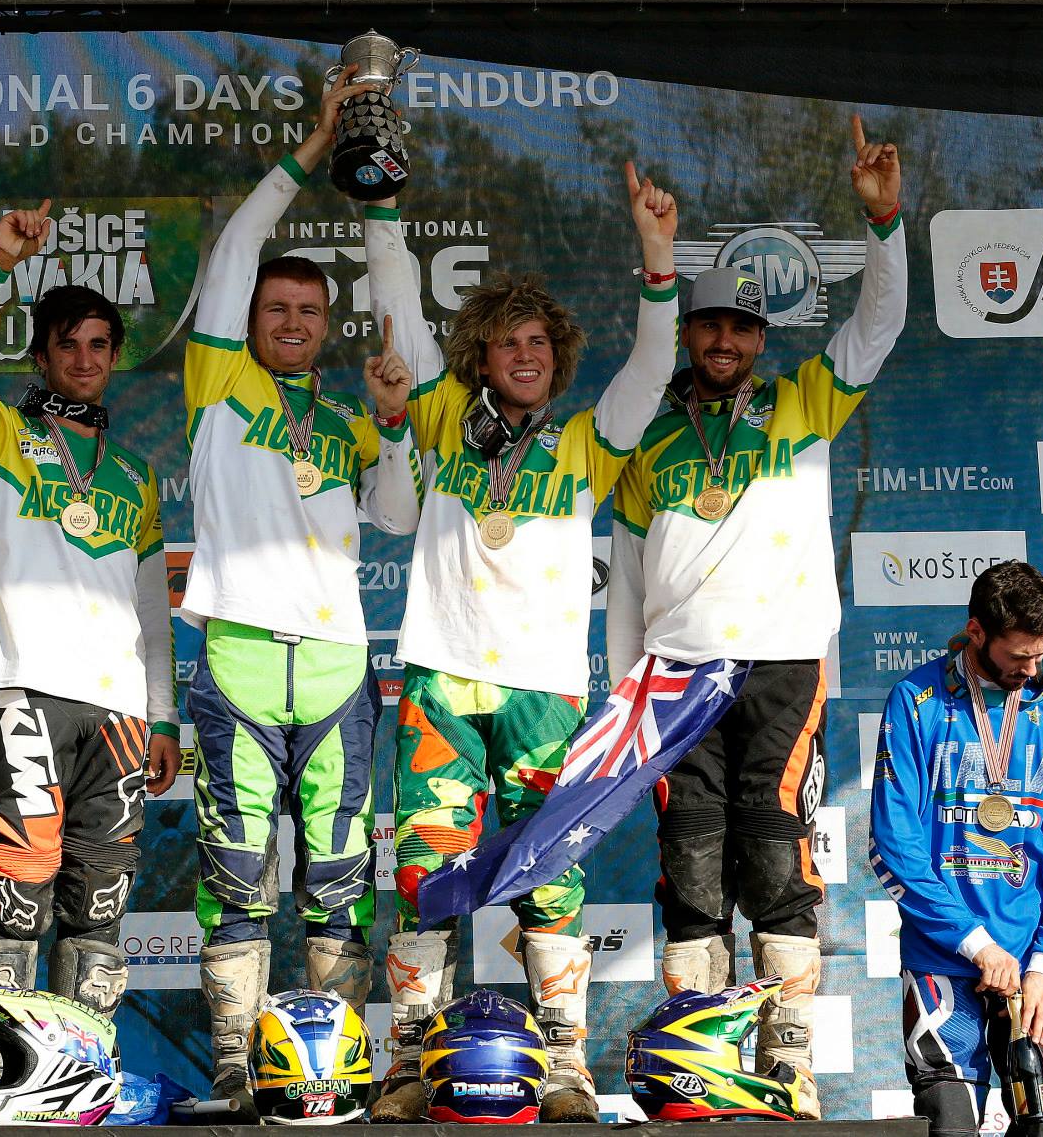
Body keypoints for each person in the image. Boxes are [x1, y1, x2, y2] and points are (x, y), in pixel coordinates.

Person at [363, 161, 680, 1122]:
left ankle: (567, 1063)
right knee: (425, 871)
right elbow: (396, 310)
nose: (526, 354)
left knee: (552, 877)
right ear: (478, 355)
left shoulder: (585, 440)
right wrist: (379, 207)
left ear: (558, 353)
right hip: (443, 683)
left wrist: (657, 256)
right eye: (507, 342)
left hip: (543, 689)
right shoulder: (440, 419)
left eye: (539, 341)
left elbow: (654, 368)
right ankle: (413, 1061)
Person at [607, 115, 908, 1097]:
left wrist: (883, 223)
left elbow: (879, 326)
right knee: (689, 868)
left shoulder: (803, 404)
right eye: (707, 324)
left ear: (759, 336)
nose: (724, 339)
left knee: (775, 855)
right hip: (672, 681)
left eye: (740, 326)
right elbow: (626, 576)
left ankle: (786, 1066)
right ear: (686, 333)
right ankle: (693, 1063)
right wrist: (621, 693)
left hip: (781, 667)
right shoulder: (646, 442)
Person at [177, 71, 421, 1113]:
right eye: (275, 308)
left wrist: (399, 424)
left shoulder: (348, 417)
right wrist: (313, 148)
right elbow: (234, 251)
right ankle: (237, 1063)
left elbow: (401, 518)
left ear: (325, 324)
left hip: (332, 669)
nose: (290, 321)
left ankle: (330, 1067)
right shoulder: (217, 378)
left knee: (334, 877)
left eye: (307, 312)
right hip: (234, 655)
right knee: (234, 875)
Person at [0, 209, 177, 1082]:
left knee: (100, 905)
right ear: (41, 355)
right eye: (69, 344)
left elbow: (151, 606)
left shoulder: (137, 475)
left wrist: (163, 715)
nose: (86, 359)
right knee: (19, 889)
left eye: (101, 345)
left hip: (118, 711)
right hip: (25, 688)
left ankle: (76, 1077)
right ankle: (2, 1079)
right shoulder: (5, 440)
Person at [868, 561, 1043, 1137]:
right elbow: (893, 845)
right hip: (945, 955)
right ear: (976, 633)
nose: (1032, 668)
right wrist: (977, 944)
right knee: (951, 1124)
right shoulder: (916, 701)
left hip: (1034, 962)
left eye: (1041, 653)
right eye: (1019, 656)